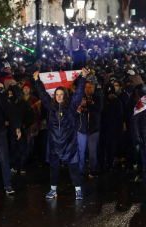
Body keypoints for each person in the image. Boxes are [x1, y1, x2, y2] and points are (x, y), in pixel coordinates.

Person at [34, 68, 88, 200]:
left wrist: (83, 78)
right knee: (54, 169)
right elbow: (42, 94)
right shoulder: (51, 106)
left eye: (61, 94)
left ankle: (78, 190)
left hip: (69, 143)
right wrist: (36, 80)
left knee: (74, 168)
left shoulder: (71, 106)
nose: (58, 96)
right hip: (54, 144)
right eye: (57, 94)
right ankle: (53, 190)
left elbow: (79, 93)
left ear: (65, 95)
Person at [76, 81, 103, 178]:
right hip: (81, 129)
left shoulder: (98, 97)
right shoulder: (80, 97)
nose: (88, 89)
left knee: (92, 152)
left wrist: (87, 104)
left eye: (90, 87)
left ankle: (92, 170)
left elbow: (98, 108)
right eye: (86, 87)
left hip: (93, 129)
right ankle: (80, 171)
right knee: (80, 151)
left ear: (94, 88)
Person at [7, 85, 36, 173]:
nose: (9, 94)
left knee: (22, 148)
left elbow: (32, 114)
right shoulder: (8, 103)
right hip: (12, 130)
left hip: (21, 130)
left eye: (11, 93)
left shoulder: (23, 103)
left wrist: (25, 125)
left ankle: (23, 166)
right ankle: (14, 166)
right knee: (13, 148)